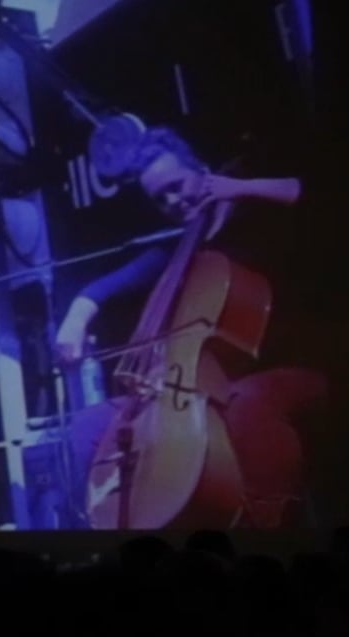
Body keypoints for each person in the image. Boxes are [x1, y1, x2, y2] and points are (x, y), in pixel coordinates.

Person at [56, 129, 324, 528]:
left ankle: (271, 529)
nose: (171, 201)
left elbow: (306, 193)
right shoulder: (178, 247)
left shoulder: (255, 217)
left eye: (176, 186)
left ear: (201, 170)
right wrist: (75, 319)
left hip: (283, 362)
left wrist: (240, 187)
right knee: (87, 427)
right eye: (159, 198)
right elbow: (101, 289)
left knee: (247, 405)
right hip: (202, 382)